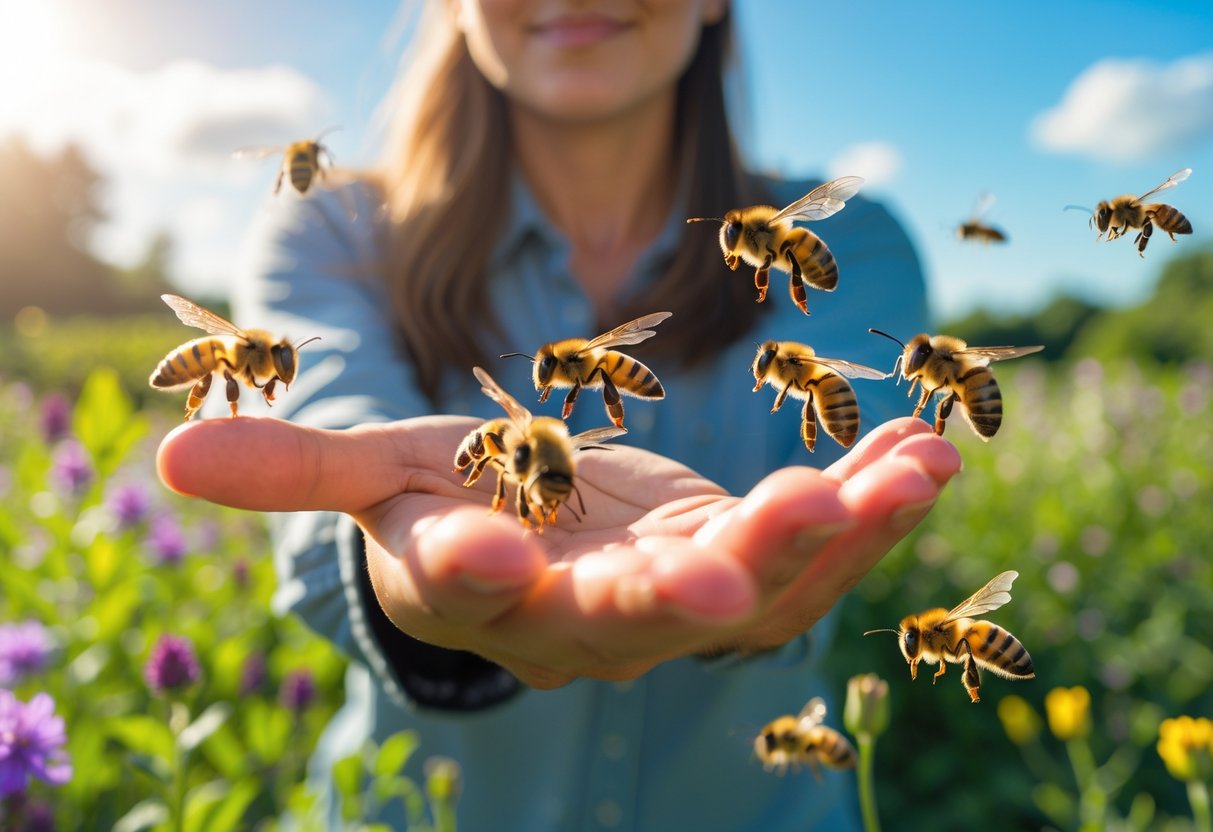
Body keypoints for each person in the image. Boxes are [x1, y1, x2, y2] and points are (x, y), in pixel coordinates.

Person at [157, 2, 961, 829]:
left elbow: (826, 491)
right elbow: (335, 440)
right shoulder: (330, 226)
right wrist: (396, 530)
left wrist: (765, 578)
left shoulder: (856, 248)